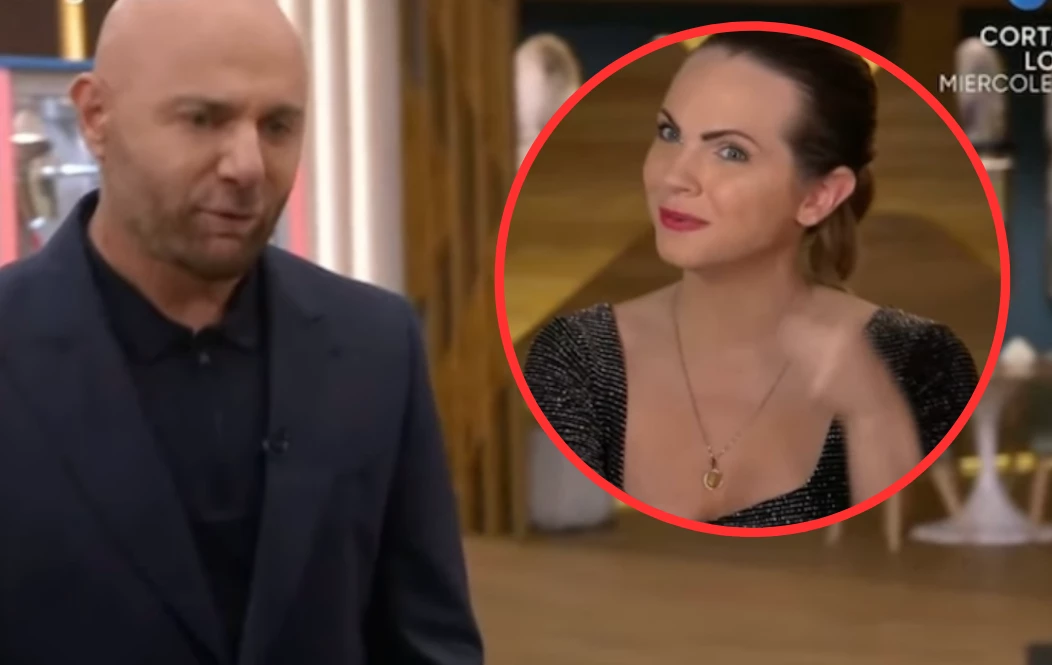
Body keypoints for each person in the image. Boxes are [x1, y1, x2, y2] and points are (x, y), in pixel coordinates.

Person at [0, 1, 483, 664]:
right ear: (95, 117)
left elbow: (428, 640)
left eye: (277, 125)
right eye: (204, 119)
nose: (248, 165)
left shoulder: (376, 345)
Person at [523, 32, 980, 528]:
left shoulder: (919, 362)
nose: (675, 177)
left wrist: (872, 414)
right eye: (670, 134)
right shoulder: (578, 355)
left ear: (819, 197)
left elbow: (919, 554)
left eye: (731, 153)